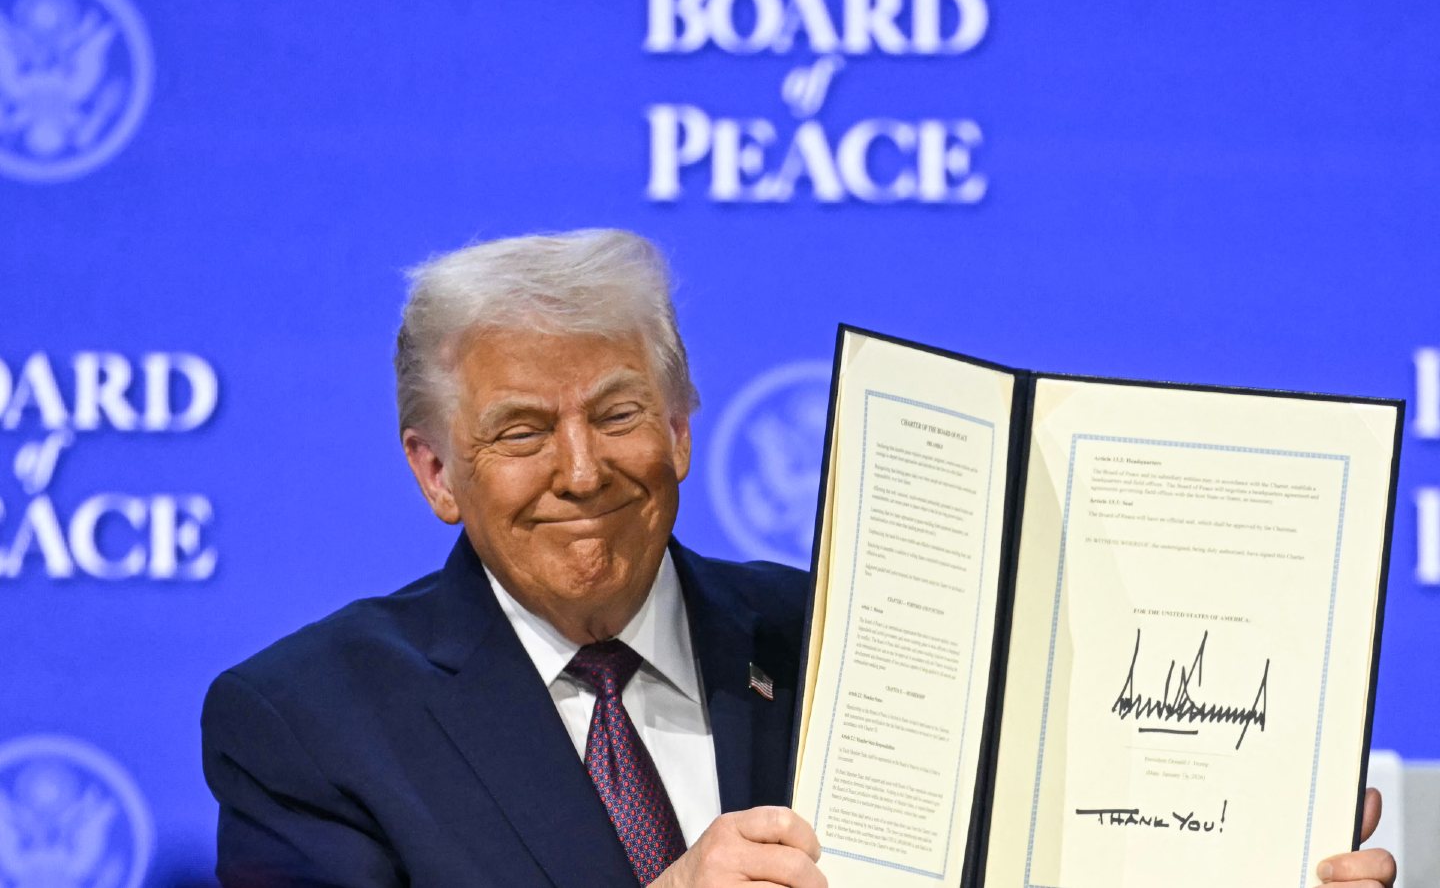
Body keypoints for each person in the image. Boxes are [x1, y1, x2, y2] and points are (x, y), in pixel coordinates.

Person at [201, 229, 1397, 888]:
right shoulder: (308, 721)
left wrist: (1247, 853)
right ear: (435, 471)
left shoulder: (853, 642)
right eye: (520, 431)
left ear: (682, 429)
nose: (581, 468)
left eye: (619, 413)